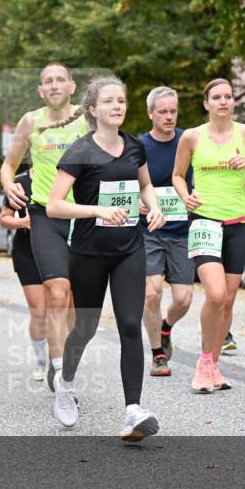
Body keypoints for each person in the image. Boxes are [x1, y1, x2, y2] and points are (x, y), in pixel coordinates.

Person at [46, 75, 165, 439]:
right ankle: (64, 385)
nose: (118, 106)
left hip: (128, 247)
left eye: (122, 101)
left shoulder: (134, 148)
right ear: (93, 110)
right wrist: (97, 211)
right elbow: (54, 205)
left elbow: (144, 185)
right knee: (85, 328)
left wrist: (155, 208)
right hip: (89, 252)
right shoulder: (79, 152)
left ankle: (132, 410)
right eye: (110, 101)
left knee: (131, 324)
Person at [173, 79, 245, 392]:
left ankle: (213, 365)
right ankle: (203, 362)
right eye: (216, 97)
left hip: (238, 223)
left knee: (228, 301)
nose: (223, 102)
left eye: (228, 97)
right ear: (206, 104)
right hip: (204, 221)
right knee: (214, 294)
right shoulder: (191, 137)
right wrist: (185, 195)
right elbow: (177, 175)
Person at [1, 63, 88, 391]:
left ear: (71, 86)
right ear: (41, 90)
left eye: (59, 80)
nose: (53, 86)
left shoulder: (88, 117)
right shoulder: (30, 122)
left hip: (83, 215)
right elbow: (8, 165)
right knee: (55, 293)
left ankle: (64, 356)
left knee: (75, 309)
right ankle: (58, 369)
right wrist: (8, 185)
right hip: (45, 215)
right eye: (47, 81)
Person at [139, 87, 195, 377]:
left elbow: (199, 179)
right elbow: (125, 185)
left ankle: (166, 327)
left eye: (173, 111)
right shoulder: (138, 147)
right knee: (152, 293)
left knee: (184, 298)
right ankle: (157, 353)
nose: (169, 116)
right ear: (151, 113)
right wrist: (138, 204)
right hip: (149, 230)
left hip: (182, 231)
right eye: (163, 111)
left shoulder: (189, 141)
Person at [0, 166, 48, 382]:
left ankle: (62, 358)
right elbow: (4, 218)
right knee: (39, 310)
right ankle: (41, 360)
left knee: (64, 309)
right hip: (27, 250)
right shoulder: (18, 183)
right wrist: (22, 222)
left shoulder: (63, 177)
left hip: (60, 248)